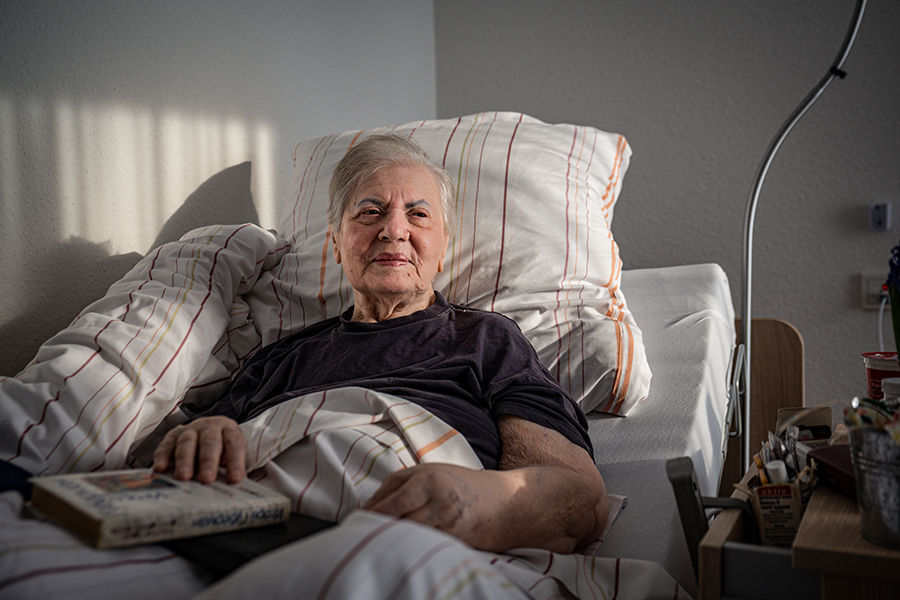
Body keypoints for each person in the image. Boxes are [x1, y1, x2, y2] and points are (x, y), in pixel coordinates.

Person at [152, 134, 609, 554]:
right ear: (335, 243)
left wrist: (476, 504)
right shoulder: (280, 357)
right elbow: (182, 465)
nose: (394, 230)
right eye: (370, 212)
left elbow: (576, 498)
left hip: (405, 542)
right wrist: (203, 436)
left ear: (443, 246)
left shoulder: (488, 340)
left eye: (418, 214)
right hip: (254, 537)